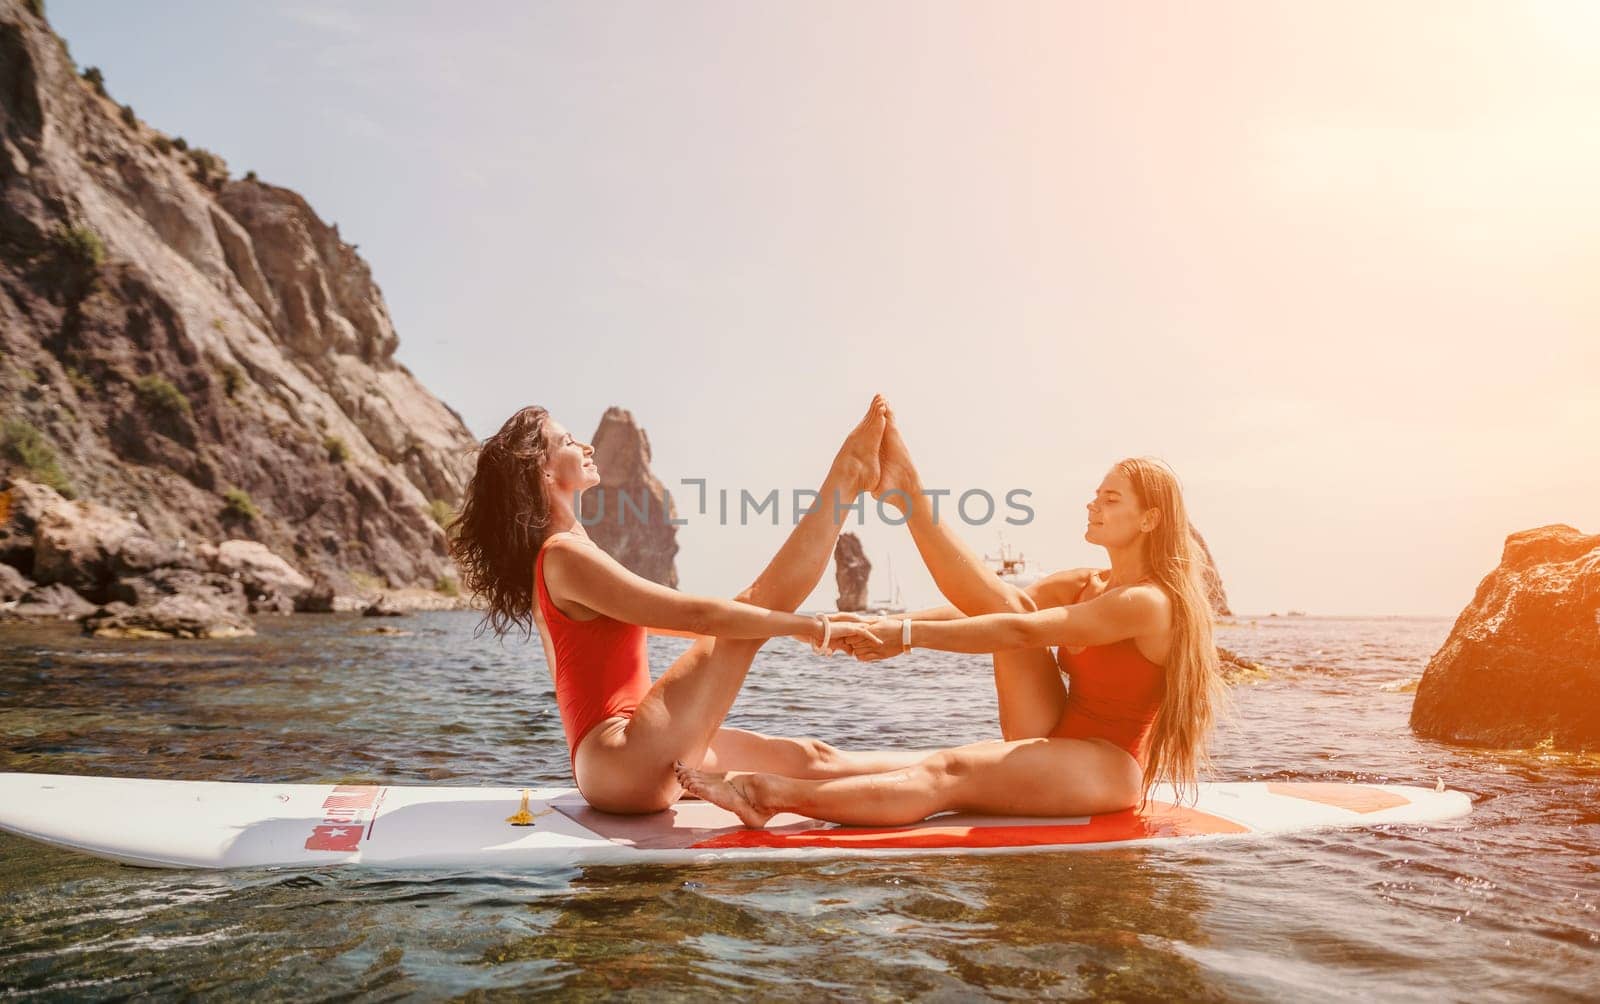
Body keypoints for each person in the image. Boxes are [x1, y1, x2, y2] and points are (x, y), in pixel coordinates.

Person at [677, 405, 1224, 827]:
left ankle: (765, 795)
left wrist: (909, 635)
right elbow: (990, 607)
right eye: (1095, 495)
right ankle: (701, 752)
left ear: (1150, 519)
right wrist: (887, 629)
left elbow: (1018, 631)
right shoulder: (1087, 583)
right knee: (834, 757)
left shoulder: (1149, 602)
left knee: (947, 772)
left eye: (1110, 499)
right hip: (1048, 733)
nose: (1091, 505)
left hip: (1105, 766)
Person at [451, 396, 929, 814]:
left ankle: (962, 767)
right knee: (757, 604)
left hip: (627, 760)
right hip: (624, 757)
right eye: (570, 441)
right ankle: (847, 478)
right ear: (544, 468)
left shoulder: (568, 550)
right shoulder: (563, 555)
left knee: (812, 759)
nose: (587, 446)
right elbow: (696, 616)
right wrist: (813, 628)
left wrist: (782, 627)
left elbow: (672, 624)